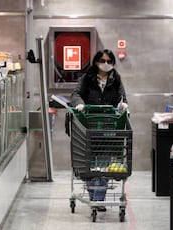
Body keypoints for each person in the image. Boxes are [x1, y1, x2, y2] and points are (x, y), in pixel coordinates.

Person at [70, 49, 129, 212]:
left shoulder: (116, 79)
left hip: (108, 127)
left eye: (110, 61)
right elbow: (75, 94)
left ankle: (98, 199)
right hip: (88, 126)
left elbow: (122, 97)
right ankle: (93, 193)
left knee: (102, 164)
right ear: (96, 62)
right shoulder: (86, 78)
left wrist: (123, 104)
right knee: (88, 162)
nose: (106, 64)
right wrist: (79, 104)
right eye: (103, 60)